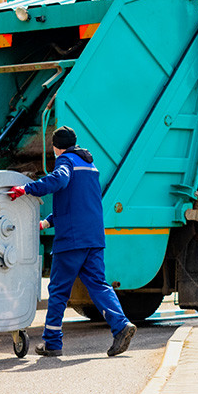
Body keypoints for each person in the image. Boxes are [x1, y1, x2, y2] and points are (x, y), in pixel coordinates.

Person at [9, 126, 136, 357]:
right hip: (94, 237)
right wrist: (46, 223)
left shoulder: (65, 161)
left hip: (72, 240)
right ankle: (121, 326)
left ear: (57, 147)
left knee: (58, 290)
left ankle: (52, 343)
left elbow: (59, 181)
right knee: (98, 284)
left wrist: (26, 189)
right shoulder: (88, 164)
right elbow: (76, 203)